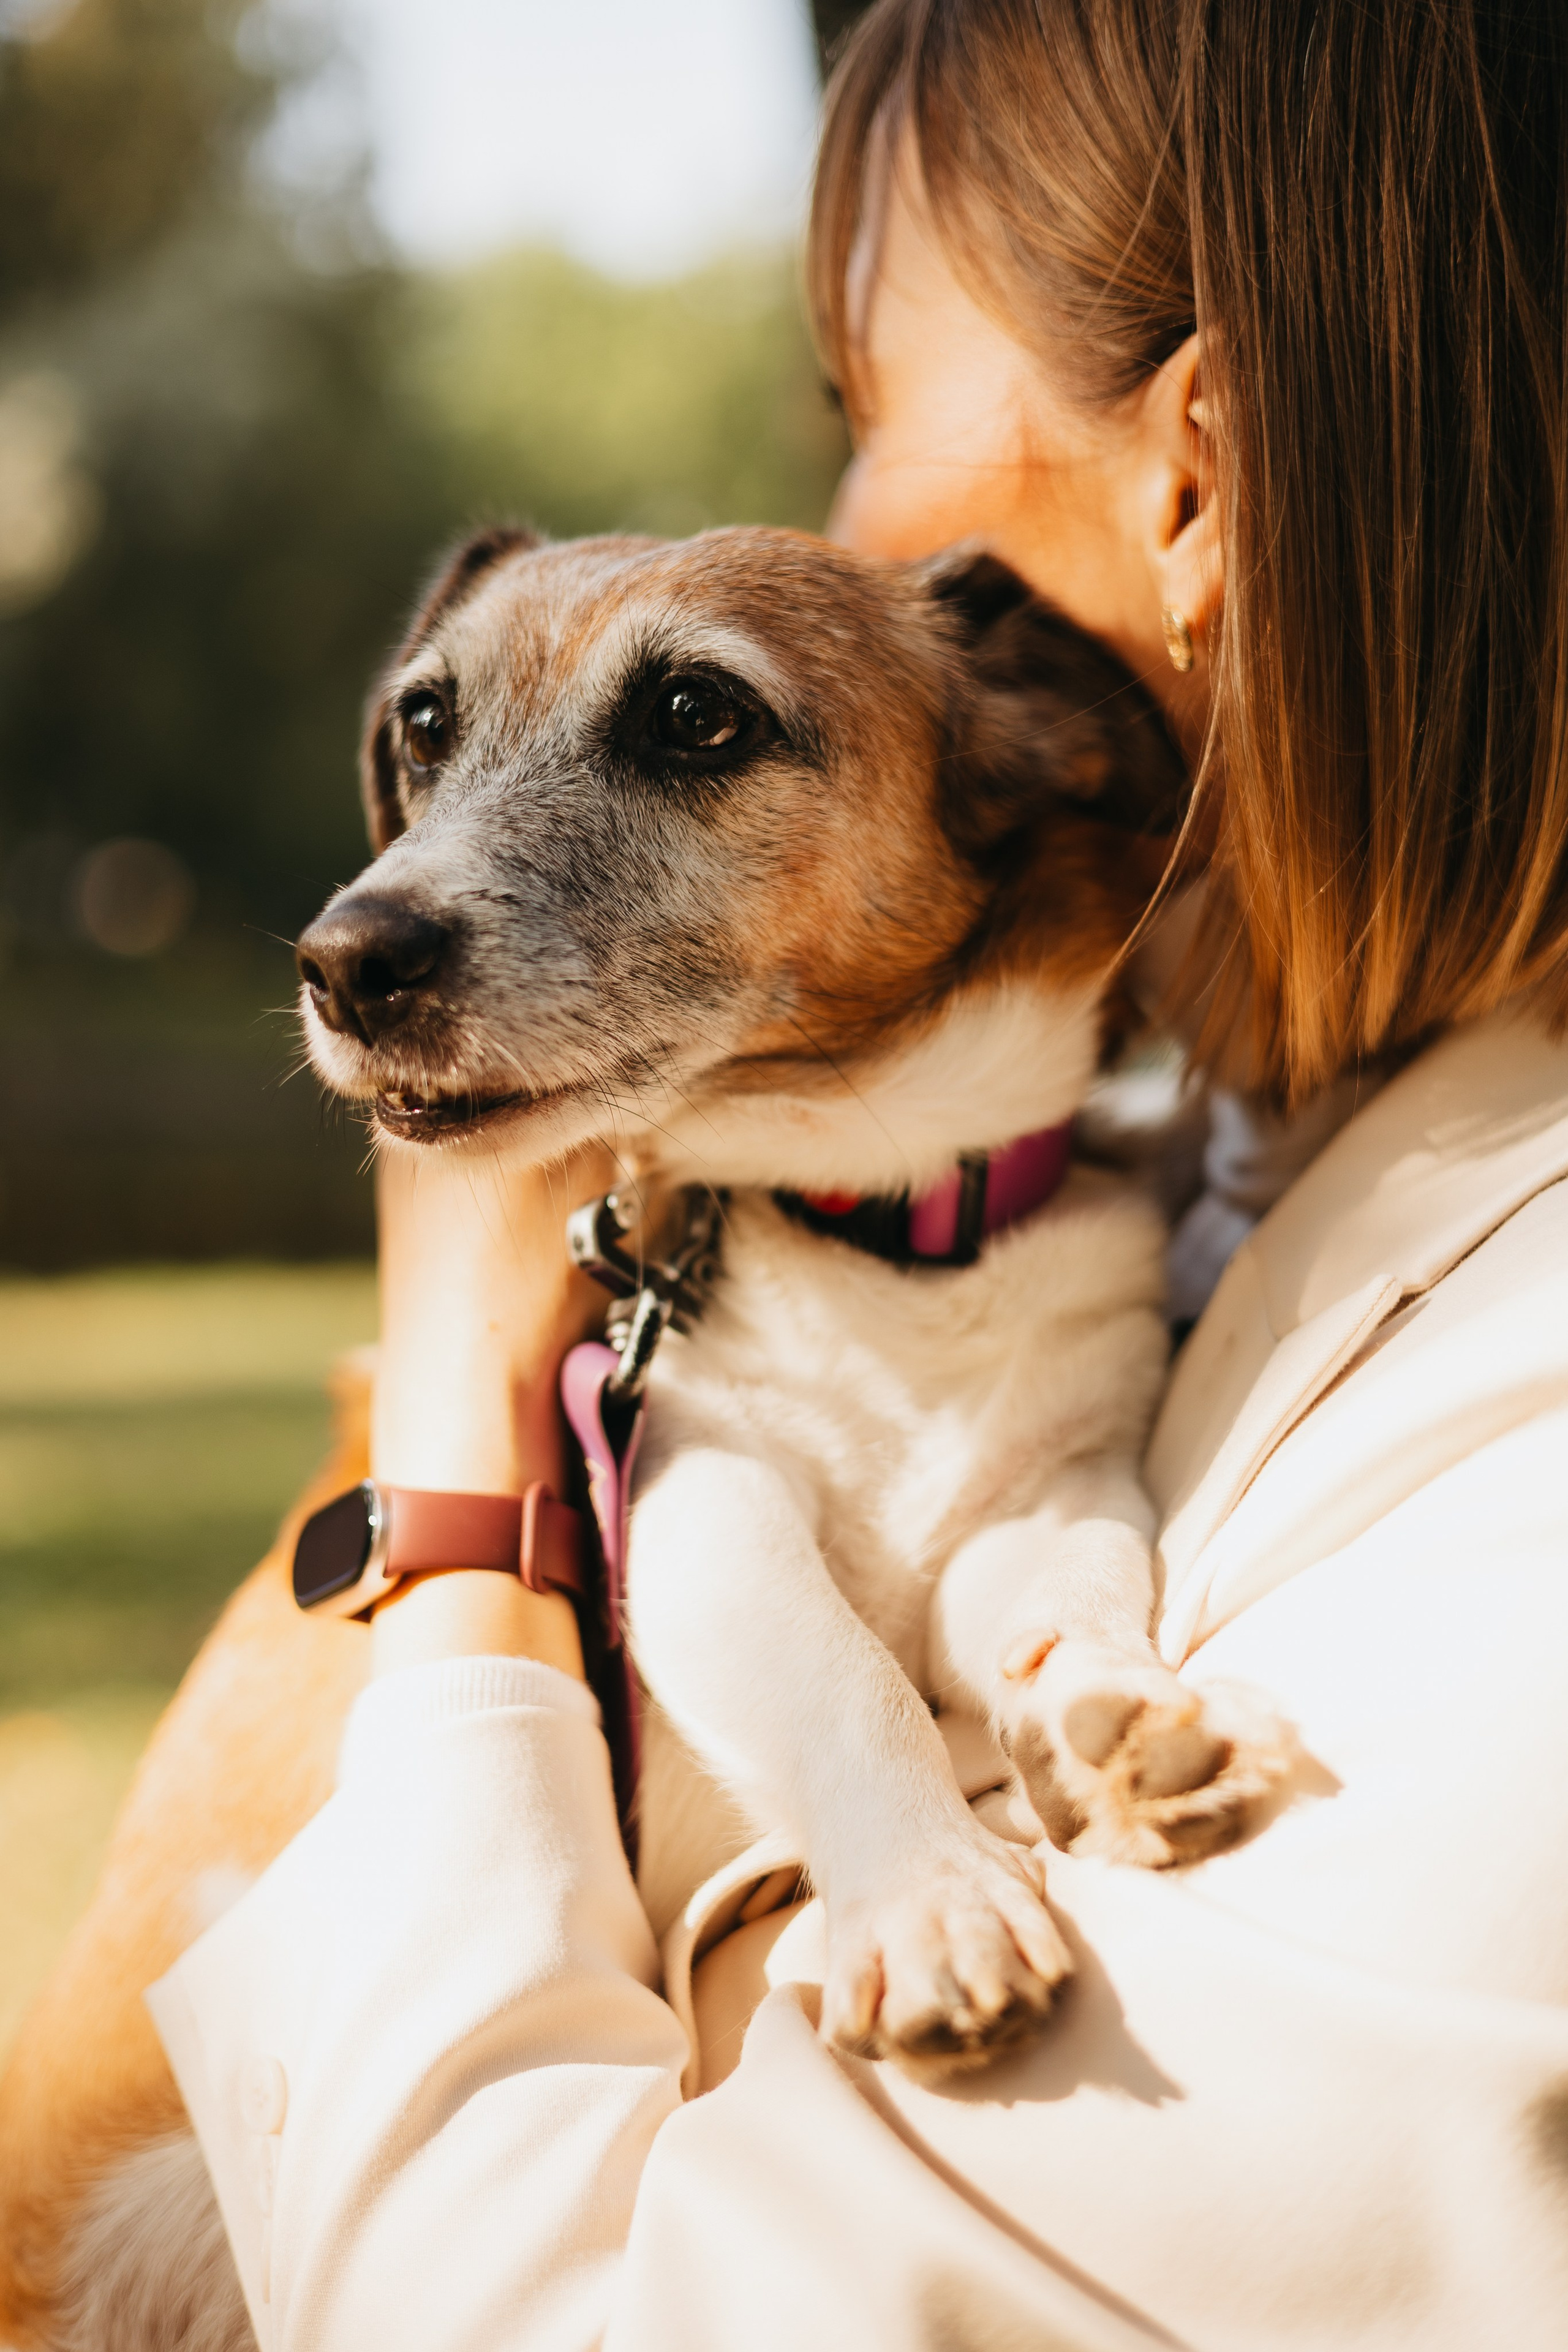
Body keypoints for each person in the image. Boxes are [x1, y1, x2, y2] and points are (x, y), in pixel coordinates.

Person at [33, 1, 1568, 2345]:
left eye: (865, 408)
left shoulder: (1495, 1442)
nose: (843, 531)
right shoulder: (1268, 1181)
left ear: (1204, 473)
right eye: (427, 739)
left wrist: (463, 1505)